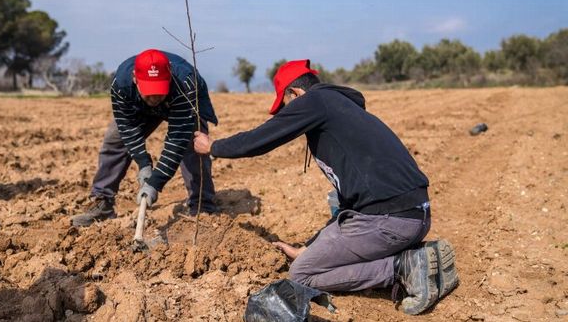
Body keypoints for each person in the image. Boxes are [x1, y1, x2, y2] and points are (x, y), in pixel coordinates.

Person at [193, 60, 458, 315]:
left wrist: (213, 147)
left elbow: (261, 138)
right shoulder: (340, 109)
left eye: (284, 105)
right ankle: (419, 256)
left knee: (302, 275)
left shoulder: (314, 101)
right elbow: (349, 207)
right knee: (312, 254)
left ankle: (401, 268)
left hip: (388, 222)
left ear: (294, 93)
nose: (286, 114)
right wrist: (308, 248)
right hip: (415, 217)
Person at [72, 49, 218, 227]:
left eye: (159, 90)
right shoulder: (121, 84)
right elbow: (127, 127)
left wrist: (155, 182)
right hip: (140, 106)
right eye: (149, 91)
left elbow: (176, 140)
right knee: (115, 138)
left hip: (182, 102)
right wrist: (143, 164)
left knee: (194, 143)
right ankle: (102, 202)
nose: (155, 97)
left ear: (170, 76)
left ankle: (202, 206)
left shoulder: (185, 83)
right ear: (135, 78)